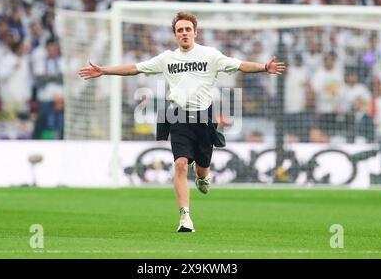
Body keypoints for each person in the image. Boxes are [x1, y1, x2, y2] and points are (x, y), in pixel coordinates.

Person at [78, 12, 285, 232]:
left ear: (195, 32)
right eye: (180, 30)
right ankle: (185, 218)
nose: (184, 33)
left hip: (204, 118)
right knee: (179, 165)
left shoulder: (210, 55)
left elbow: (241, 64)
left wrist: (264, 67)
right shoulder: (167, 58)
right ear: (175, 35)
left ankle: (202, 177)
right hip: (178, 117)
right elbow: (134, 68)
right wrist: (104, 70)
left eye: (188, 29)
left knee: (202, 169)